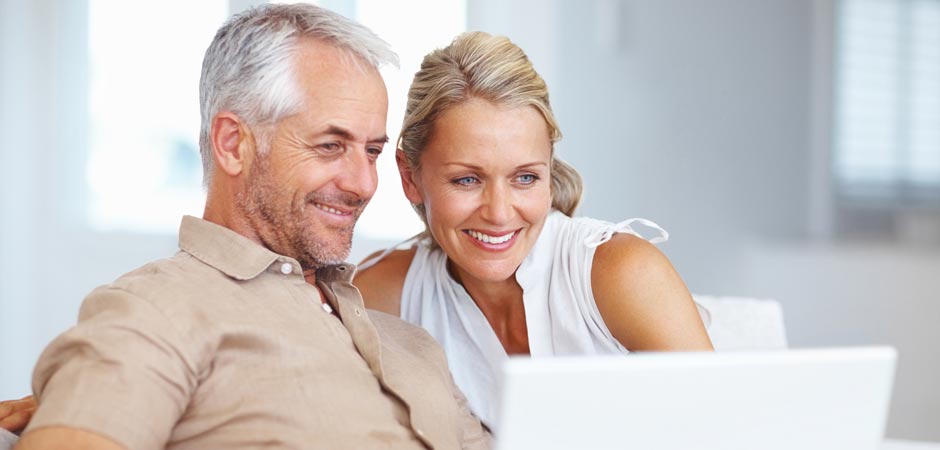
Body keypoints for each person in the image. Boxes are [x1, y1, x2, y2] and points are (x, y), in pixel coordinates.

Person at [4, 4, 490, 450]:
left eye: (372, 151)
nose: (364, 183)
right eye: (329, 146)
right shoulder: (157, 312)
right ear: (233, 144)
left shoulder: (414, 345)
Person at [352, 31, 713, 425]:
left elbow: (723, 425)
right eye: (467, 180)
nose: (500, 213)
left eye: (524, 178)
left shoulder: (620, 272)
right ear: (409, 177)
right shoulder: (383, 295)